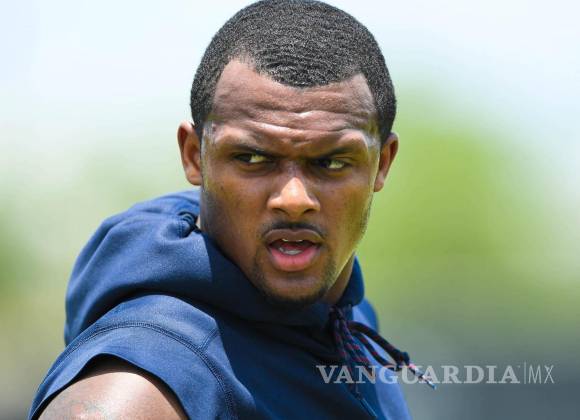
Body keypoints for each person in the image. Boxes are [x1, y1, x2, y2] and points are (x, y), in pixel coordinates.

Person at [29, 1, 431, 418]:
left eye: (330, 162)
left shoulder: (346, 321)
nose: (294, 198)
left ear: (382, 163)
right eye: (253, 158)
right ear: (194, 156)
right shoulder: (136, 395)